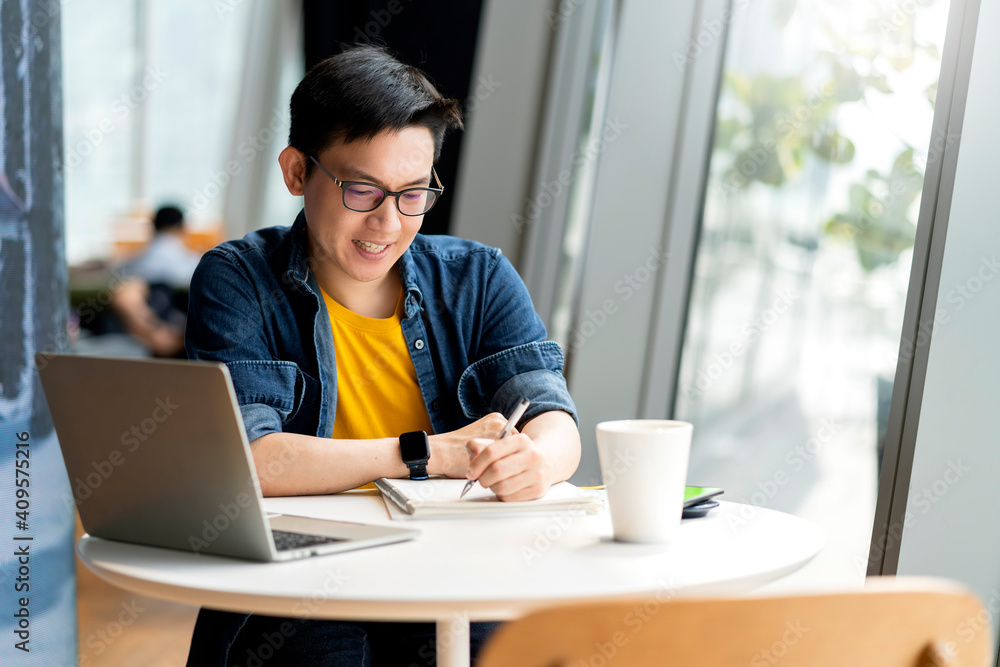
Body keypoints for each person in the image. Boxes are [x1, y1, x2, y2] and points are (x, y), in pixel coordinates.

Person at [184, 45, 581, 666]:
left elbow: (552, 413)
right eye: (362, 191)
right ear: (296, 172)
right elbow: (251, 461)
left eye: (413, 193)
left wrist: (539, 460)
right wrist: (429, 452)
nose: (388, 223)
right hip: (302, 582)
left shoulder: (477, 277)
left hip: (452, 567)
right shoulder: (237, 280)